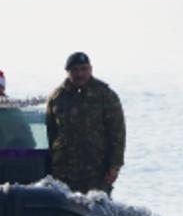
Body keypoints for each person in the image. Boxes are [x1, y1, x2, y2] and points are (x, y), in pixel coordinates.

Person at [45, 51, 125, 194]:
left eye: (84, 69)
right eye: (75, 70)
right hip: (64, 171)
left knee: (97, 210)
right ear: (67, 72)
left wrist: (115, 166)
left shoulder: (105, 95)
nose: (79, 74)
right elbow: (50, 133)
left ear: (90, 69)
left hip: (97, 170)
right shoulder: (57, 97)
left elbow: (117, 133)